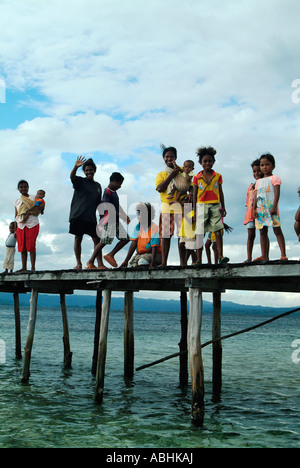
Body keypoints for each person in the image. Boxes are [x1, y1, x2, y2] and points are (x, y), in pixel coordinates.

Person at [192, 146, 229, 264]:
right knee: (200, 232)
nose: (207, 163)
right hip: (201, 205)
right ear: (200, 163)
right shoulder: (197, 177)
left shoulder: (217, 176)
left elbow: (221, 192)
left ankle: (220, 256)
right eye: (205, 161)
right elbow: (194, 194)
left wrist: (223, 207)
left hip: (215, 205)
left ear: (213, 162)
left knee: (218, 231)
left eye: (210, 161)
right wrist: (194, 209)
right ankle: (198, 258)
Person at [86, 172, 130, 269]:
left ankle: (110, 255)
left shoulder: (114, 192)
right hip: (108, 220)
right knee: (104, 241)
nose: (120, 186)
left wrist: (124, 215)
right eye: (119, 184)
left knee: (126, 238)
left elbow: (117, 206)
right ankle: (90, 261)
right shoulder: (107, 191)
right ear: (114, 181)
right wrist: (120, 215)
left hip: (115, 221)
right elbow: (107, 207)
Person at [69, 156, 102, 270]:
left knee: (97, 240)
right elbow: (72, 177)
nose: (89, 172)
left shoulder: (98, 186)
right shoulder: (80, 181)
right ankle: (79, 264)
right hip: (78, 215)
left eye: (91, 170)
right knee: (78, 238)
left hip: (91, 217)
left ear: (94, 171)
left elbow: (99, 203)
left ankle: (99, 264)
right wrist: (75, 167)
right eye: (86, 170)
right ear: (84, 171)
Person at [253, 153, 287, 261]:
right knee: (262, 232)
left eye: (267, 164)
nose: (264, 167)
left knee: (277, 230)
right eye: (262, 165)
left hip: (272, 209)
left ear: (273, 166)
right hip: (261, 209)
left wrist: (274, 207)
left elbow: (277, 193)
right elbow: (256, 195)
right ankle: (264, 256)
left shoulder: (275, 178)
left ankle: (283, 254)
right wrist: (254, 208)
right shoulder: (258, 182)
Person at [156, 145, 186, 266]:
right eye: (167, 157)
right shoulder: (162, 174)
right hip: (167, 207)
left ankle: (183, 263)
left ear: (176, 158)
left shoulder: (183, 172)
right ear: (163, 158)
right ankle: (164, 263)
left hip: (181, 206)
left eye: (171, 157)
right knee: (166, 236)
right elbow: (160, 188)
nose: (169, 159)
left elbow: (190, 186)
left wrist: (189, 195)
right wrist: (172, 174)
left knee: (182, 236)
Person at [120, 202, 162, 268]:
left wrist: (152, 263)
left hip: (155, 255)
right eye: (139, 215)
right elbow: (133, 244)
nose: (139, 217)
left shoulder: (155, 228)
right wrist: (126, 261)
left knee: (142, 261)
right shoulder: (138, 227)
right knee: (130, 265)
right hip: (140, 254)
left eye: (142, 215)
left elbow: (154, 247)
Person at [243, 160, 268, 262]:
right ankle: (249, 258)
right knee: (250, 235)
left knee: (263, 233)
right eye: (254, 171)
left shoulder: (264, 184)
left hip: (261, 212)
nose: (256, 173)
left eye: (258, 171)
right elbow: (247, 202)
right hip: (250, 214)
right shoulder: (251, 186)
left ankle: (265, 256)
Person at [14, 180, 40, 272]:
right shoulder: (17, 201)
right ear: (18, 189)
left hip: (32, 223)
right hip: (20, 225)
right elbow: (16, 215)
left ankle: (33, 267)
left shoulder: (34, 198)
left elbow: (39, 209)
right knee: (22, 246)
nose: (23, 188)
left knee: (31, 245)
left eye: (25, 186)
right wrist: (15, 230)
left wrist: (28, 213)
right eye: (21, 187)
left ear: (28, 187)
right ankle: (24, 267)